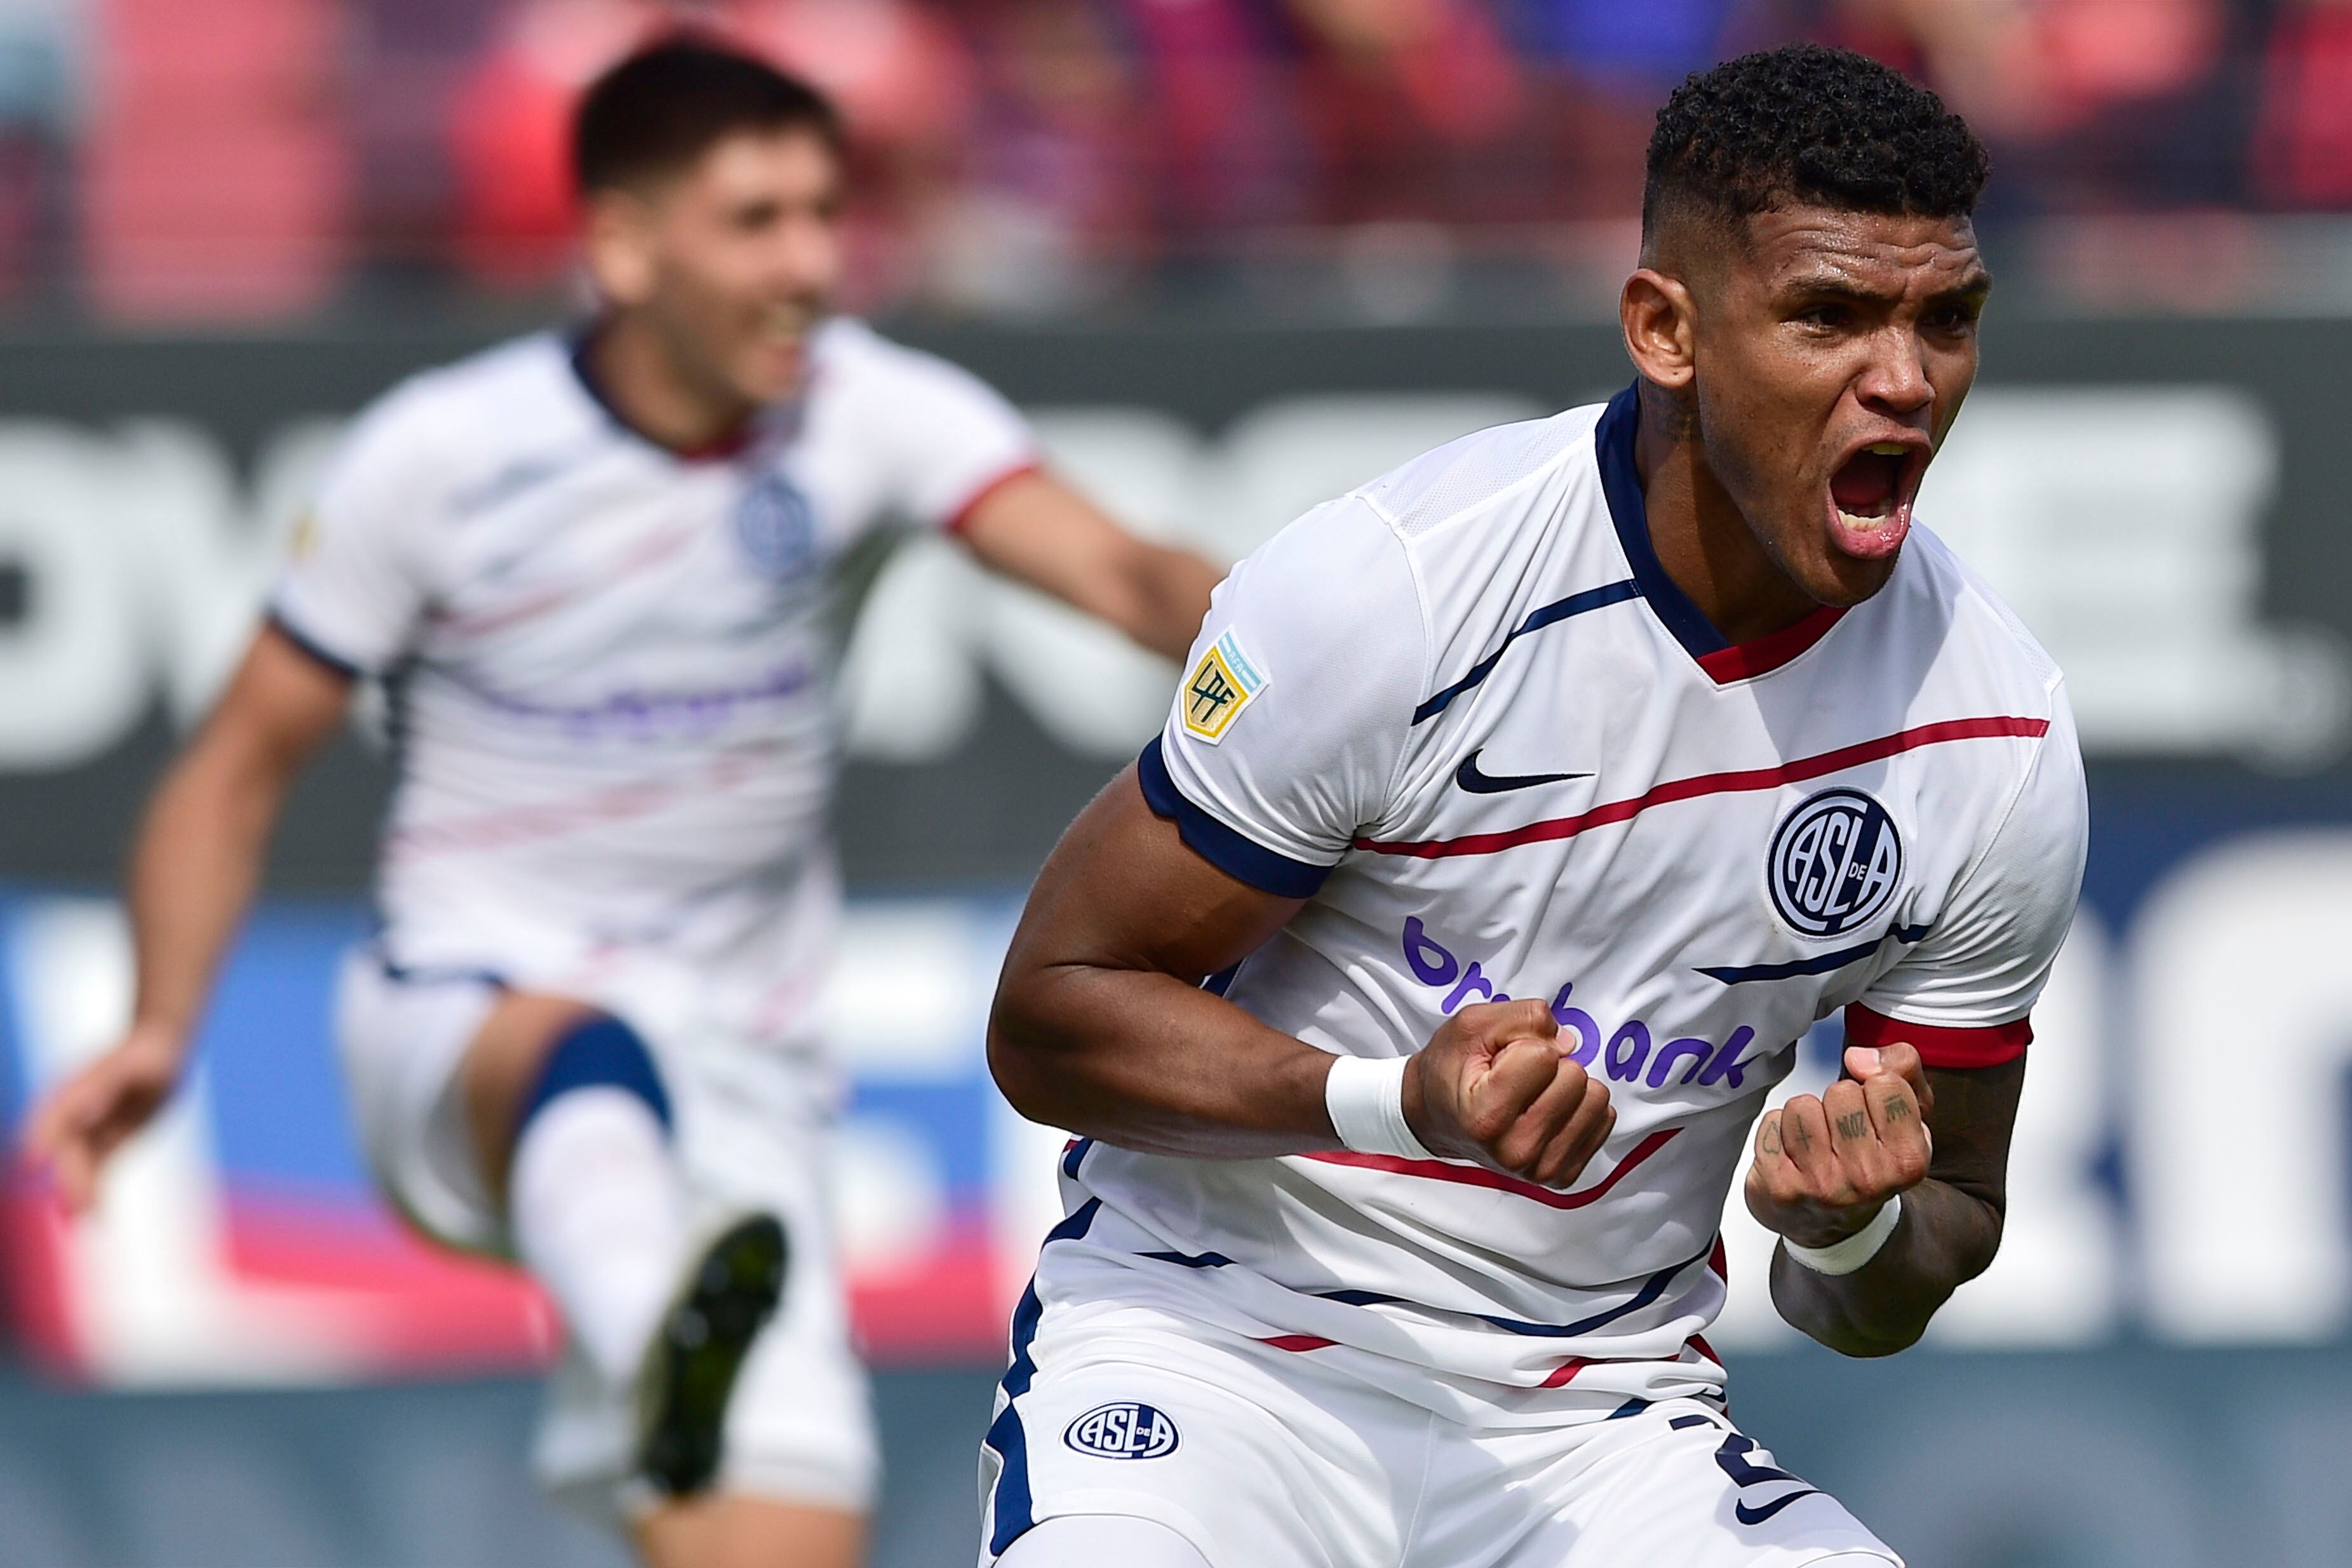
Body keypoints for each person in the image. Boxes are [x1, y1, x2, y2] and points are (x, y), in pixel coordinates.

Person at [25, 37, 1220, 1568]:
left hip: (745, 1084)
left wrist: (1307, 632)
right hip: (469, 1021)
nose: (809, 264)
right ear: (619, 243)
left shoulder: (872, 412)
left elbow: (1120, 569)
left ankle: (670, 1346)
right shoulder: (442, 456)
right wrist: (156, 1024)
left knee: (770, 1536)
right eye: (755, 221)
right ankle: (661, 1317)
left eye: (822, 213)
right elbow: (235, 762)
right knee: (583, 1056)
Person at [981, 42, 2085, 1568]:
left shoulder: (1997, 735)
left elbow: (1915, 1256)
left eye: (1944, 321)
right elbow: (1048, 1014)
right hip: (1218, 1358)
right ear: (1665, 329)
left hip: (1605, 1427)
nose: (1902, 381)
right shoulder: (1404, 589)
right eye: (1830, 315)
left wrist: (1848, 1229)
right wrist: (1396, 1099)